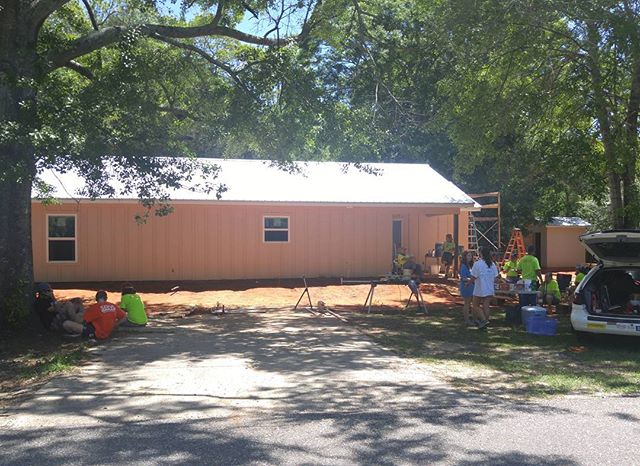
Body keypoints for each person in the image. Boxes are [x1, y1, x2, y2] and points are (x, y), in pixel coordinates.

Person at [469, 246, 499, 328]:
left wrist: (468, 283)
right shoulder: (492, 264)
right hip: (489, 288)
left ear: (481, 254)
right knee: (486, 306)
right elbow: (496, 277)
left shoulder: (477, 264)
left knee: (475, 305)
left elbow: (473, 277)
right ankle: (485, 321)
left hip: (480, 288)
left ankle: (483, 319)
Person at [459, 251, 477, 327]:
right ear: (465, 257)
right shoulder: (463, 266)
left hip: (472, 286)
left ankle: (473, 319)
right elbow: (463, 278)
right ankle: (467, 320)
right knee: (467, 303)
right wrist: (471, 279)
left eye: (471, 256)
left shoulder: (471, 265)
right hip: (466, 286)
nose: (470, 257)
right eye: (468, 256)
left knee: (473, 303)